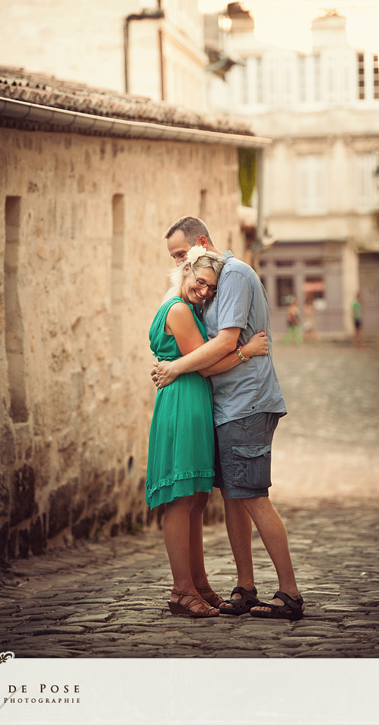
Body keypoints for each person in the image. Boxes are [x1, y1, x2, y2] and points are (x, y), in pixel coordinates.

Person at [153, 217, 305, 621]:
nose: (186, 268)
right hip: (225, 405)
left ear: (202, 244)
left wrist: (179, 367)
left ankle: (289, 593)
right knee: (235, 496)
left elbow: (223, 341)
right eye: (179, 261)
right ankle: (245, 587)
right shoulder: (196, 295)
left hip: (246, 403)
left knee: (252, 495)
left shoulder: (233, 274)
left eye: (183, 253)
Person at [148, 246, 269, 617]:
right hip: (183, 401)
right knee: (182, 498)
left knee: (197, 498)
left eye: (211, 289)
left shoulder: (188, 306)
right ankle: (181, 590)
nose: (204, 292)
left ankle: (198, 585)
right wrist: (246, 350)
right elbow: (204, 364)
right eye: (200, 282)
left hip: (193, 402)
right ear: (185, 273)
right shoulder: (180, 310)